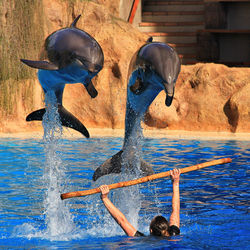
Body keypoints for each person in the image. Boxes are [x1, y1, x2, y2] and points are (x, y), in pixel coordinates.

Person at [99, 168, 181, 237]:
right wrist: (176, 182)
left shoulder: (143, 240)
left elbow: (121, 220)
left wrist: (104, 197)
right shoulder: (174, 233)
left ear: (151, 231)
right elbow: (176, 210)